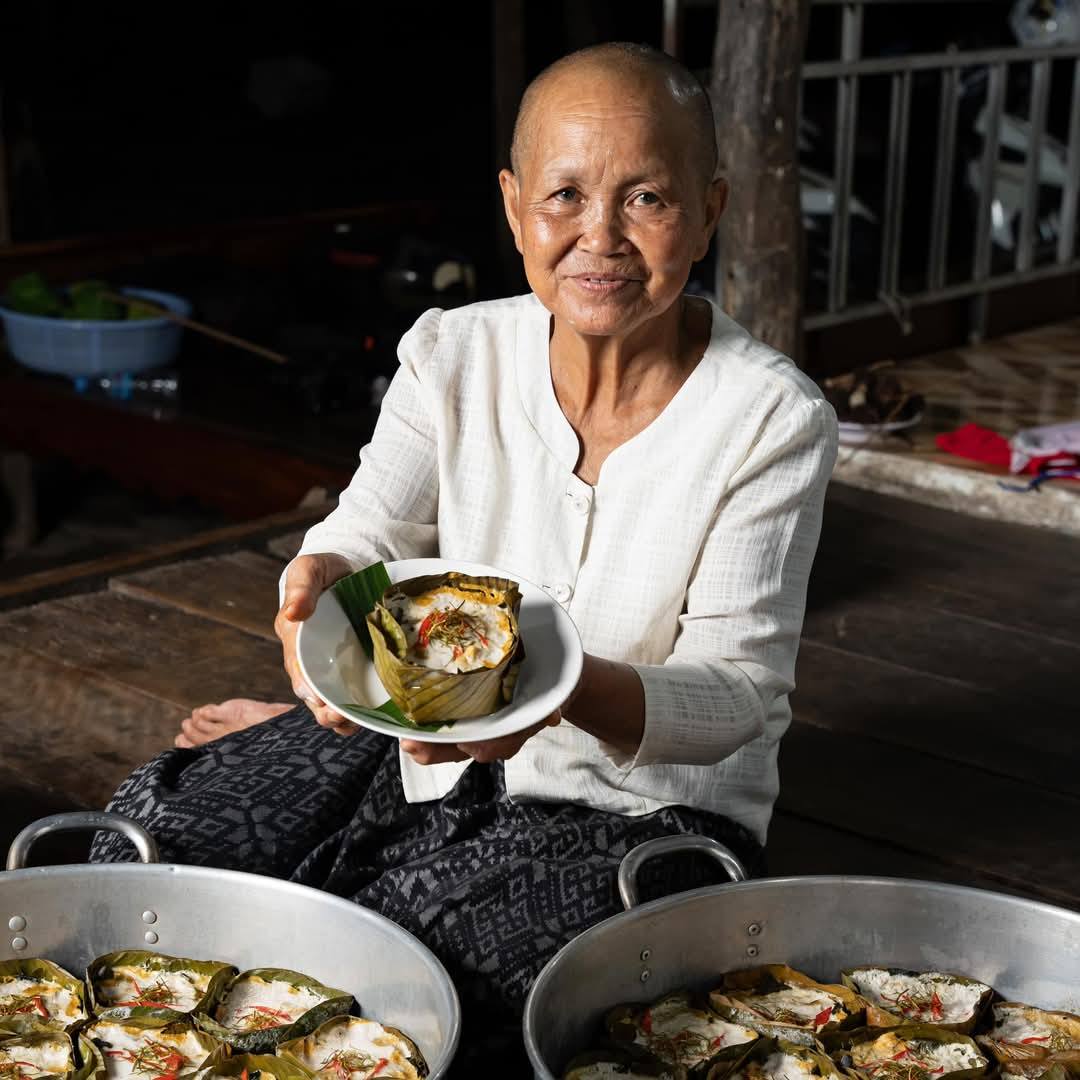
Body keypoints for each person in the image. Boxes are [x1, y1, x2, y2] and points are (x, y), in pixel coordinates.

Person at [93, 41, 837, 1071]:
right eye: (565, 193)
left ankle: (366, 805)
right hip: (431, 744)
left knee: (406, 979)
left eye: (648, 199)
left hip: (637, 809)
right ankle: (352, 765)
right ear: (513, 204)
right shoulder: (452, 350)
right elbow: (367, 532)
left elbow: (739, 699)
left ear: (708, 210)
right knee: (148, 839)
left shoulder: (772, 419)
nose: (600, 236)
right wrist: (318, 580)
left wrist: (551, 693)